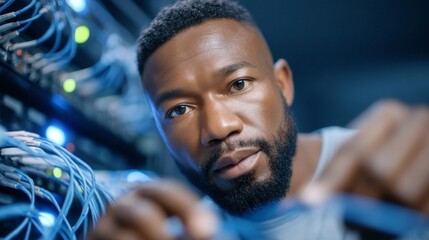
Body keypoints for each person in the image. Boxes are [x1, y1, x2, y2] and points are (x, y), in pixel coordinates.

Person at [90, 0, 429, 239]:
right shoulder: (188, 231)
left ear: (283, 84)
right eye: (179, 110)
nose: (219, 128)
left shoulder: (398, 170)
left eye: (238, 85)